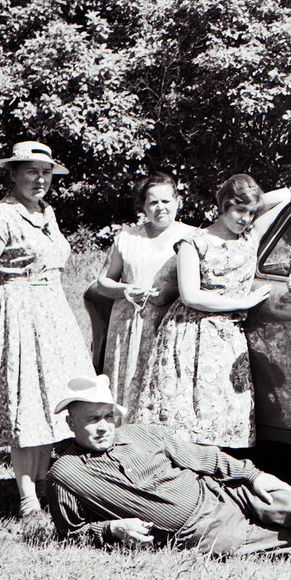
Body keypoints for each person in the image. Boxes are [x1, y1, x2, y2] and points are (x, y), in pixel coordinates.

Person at [47, 375, 291, 561]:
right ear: (70, 423)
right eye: (91, 419)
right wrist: (113, 528)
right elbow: (70, 533)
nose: (102, 426)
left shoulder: (142, 434)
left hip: (223, 491)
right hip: (198, 531)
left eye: (106, 416)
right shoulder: (66, 473)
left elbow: (206, 457)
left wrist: (253, 475)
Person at [0, 140, 94, 517]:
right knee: (25, 403)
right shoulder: (0, 216)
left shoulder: (46, 212)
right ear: (14, 174)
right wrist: (8, 312)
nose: (40, 179)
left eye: (46, 172)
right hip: (19, 315)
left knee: (51, 403)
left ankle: (43, 484)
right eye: (31, 172)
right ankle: (26, 497)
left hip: (53, 314)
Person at [133, 174, 289, 447]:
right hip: (190, 334)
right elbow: (191, 296)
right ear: (224, 206)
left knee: (221, 410)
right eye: (239, 210)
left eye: (252, 212)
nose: (245, 219)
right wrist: (243, 302)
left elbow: (285, 196)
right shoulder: (193, 242)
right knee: (185, 412)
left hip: (227, 335)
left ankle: (213, 475)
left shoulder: (250, 237)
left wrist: (252, 195)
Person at [91, 174, 195, 413]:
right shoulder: (127, 238)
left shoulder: (192, 237)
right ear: (144, 207)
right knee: (126, 385)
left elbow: (202, 284)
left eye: (166, 201)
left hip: (171, 326)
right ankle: (122, 440)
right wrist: (125, 289)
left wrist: (171, 291)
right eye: (153, 203)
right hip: (129, 326)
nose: (160, 208)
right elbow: (103, 282)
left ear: (177, 202)